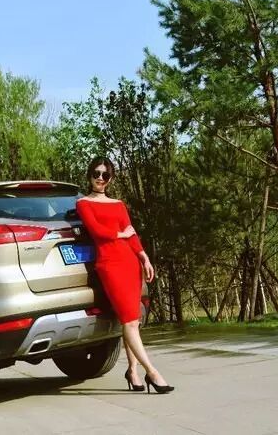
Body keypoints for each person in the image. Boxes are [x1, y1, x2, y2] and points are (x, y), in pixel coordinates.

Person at [75, 156, 174, 394]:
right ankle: (152, 372)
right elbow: (98, 231)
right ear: (89, 175)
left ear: (111, 178)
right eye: (96, 173)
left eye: (105, 175)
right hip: (110, 264)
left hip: (131, 263)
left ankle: (133, 371)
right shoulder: (83, 203)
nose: (100, 178)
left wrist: (144, 257)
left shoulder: (118, 204)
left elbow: (132, 233)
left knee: (132, 321)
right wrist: (120, 234)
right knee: (129, 320)